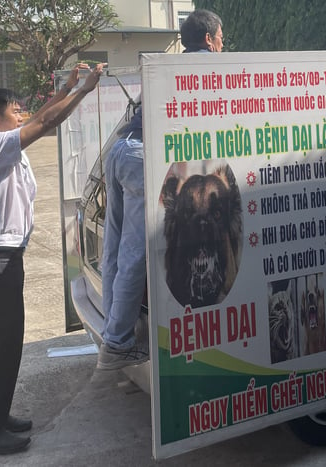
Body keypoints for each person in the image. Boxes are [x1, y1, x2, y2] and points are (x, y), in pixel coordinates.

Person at [0, 62, 105, 455]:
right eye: (14, 112)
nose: (22, 116)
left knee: (0, 345)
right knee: (2, 345)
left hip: (0, 261)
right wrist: (84, 91)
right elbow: (46, 123)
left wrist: (68, 87)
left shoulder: (7, 147)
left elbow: (43, 117)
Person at [96, 9, 224, 370]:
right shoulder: (208, 67)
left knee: (116, 247)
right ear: (211, 38)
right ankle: (118, 345)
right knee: (138, 250)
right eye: (221, 38)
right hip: (140, 158)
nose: (223, 44)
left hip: (120, 149)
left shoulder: (169, 66)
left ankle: (112, 331)